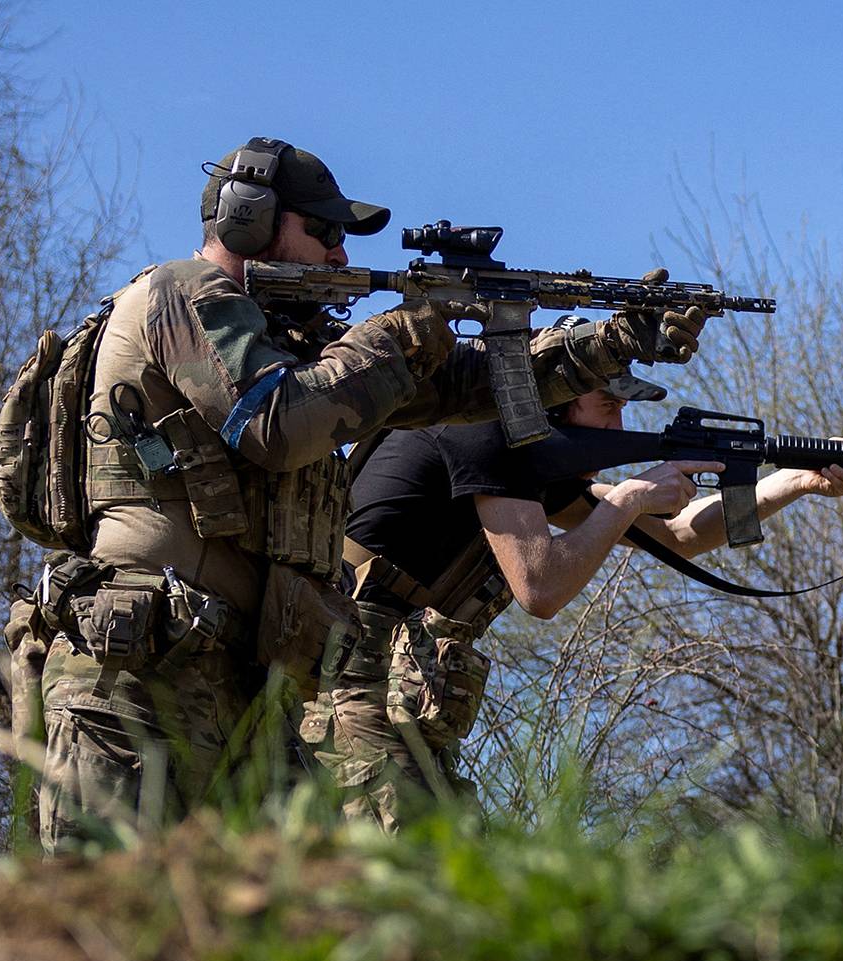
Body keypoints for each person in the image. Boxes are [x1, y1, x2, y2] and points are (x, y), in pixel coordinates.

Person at [35, 136, 704, 852]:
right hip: (144, 668)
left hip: (244, 673)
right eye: (322, 232)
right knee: (111, 923)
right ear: (248, 221)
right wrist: (410, 326)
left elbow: (461, 390)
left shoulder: (285, 341)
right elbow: (278, 424)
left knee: (260, 938)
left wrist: (606, 345)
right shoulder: (180, 295)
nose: (339, 257)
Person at [310, 369, 843, 830]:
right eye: (607, 406)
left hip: (388, 683)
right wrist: (628, 499)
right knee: (410, 868)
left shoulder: (522, 463)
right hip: (349, 671)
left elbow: (680, 535)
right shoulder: (480, 431)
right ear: (556, 404)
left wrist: (797, 479)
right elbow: (540, 588)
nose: (620, 424)